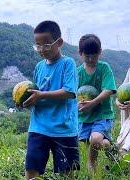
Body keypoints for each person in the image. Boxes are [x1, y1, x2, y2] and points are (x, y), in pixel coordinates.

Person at [23, 21, 79, 179]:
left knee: (66, 172)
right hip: (38, 126)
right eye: (38, 45)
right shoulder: (39, 67)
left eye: (46, 45)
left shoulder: (68, 64)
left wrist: (41, 95)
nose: (41, 50)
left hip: (63, 128)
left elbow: (69, 92)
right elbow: (36, 92)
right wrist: (28, 101)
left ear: (59, 42)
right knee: (32, 167)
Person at [77, 34, 117, 171]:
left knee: (95, 139)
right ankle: (110, 147)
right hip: (85, 118)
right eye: (86, 55)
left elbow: (109, 90)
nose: (90, 59)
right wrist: (78, 105)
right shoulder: (78, 72)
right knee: (92, 143)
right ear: (80, 53)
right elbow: (73, 95)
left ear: (100, 52)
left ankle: (91, 164)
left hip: (102, 115)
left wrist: (92, 103)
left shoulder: (104, 67)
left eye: (94, 55)